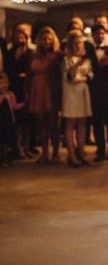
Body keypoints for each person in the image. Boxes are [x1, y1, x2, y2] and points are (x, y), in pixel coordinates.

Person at [28, 27, 63, 164]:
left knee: (53, 124)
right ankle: (45, 153)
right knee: (41, 124)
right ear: (40, 41)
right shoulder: (34, 55)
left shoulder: (58, 55)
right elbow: (29, 75)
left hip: (50, 91)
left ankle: (55, 153)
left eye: (49, 38)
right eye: (44, 39)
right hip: (37, 90)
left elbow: (60, 76)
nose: (47, 41)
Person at [61, 29, 93, 167]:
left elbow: (90, 75)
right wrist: (77, 67)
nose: (78, 46)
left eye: (80, 43)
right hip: (70, 93)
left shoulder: (86, 59)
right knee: (70, 123)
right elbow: (69, 77)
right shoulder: (66, 60)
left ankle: (81, 151)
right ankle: (72, 154)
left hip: (82, 92)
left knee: (82, 122)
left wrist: (84, 77)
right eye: (76, 43)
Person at [90, 24, 108, 161]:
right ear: (93, 35)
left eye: (102, 34)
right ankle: (100, 151)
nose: (100, 36)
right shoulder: (88, 49)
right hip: (94, 88)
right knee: (97, 121)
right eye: (97, 34)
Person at [6, 28, 33, 159]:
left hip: (27, 88)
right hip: (15, 89)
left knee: (27, 122)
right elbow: (7, 71)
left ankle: (27, 147)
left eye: (22, 38)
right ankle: (18, 148)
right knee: (18, 122)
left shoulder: (30, 53)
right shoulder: (9, 53)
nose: (19, 41)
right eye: (17, 39)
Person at [0, 72, 22, 167]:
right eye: (2, 83)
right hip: (1, 121)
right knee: (1, 139)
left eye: (6, 82)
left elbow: (14, 106)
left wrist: (24, 104)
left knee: (7, 139)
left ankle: (6, 157)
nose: (4, 85)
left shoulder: (10, 94)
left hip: (9, 120)